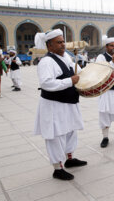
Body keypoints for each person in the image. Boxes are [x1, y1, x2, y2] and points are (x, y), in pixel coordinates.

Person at [34, 29, 87, 181]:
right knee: (56, 135)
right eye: (59, 42)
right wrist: (71, 81)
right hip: (54, 105)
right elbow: (46, 83)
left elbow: (78, 73)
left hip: (69, 102)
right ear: (49, 45)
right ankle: (57, 168)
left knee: (70, 131)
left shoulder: (67, 58)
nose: (63, 44)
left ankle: (69, 159)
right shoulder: (46, 62)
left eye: (63, 41)